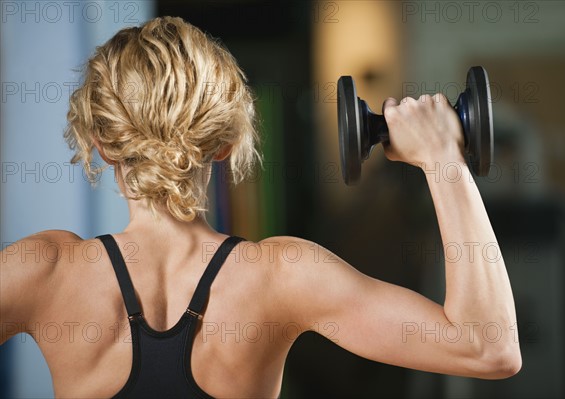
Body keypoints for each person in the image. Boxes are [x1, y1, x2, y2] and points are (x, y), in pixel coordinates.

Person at [0, 16, 521, 398]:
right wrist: (441, 159)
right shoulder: (281, 277)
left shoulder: (42, 272)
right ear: (224, 142)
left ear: (100, 143)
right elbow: (488, 348)